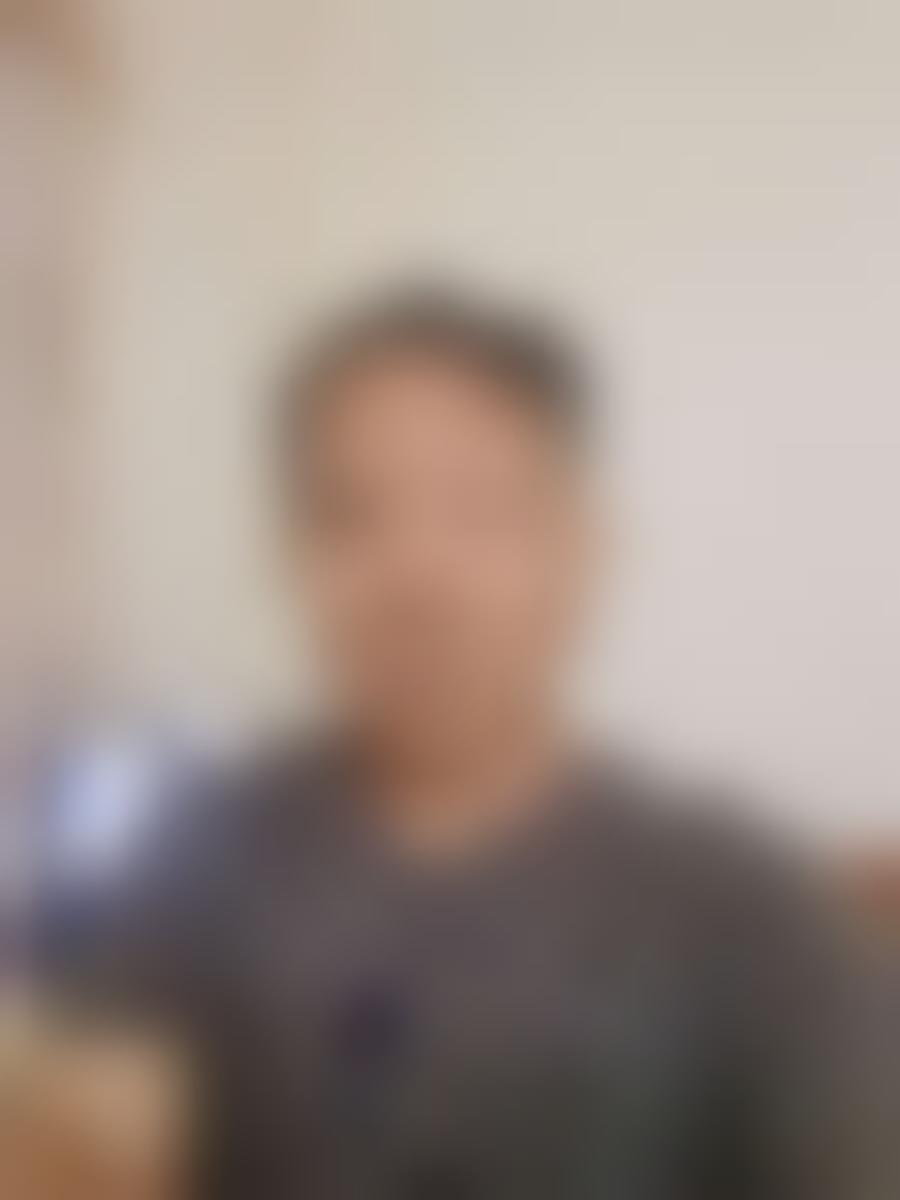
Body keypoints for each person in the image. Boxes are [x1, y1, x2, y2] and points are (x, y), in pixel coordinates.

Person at [38, 286, 859, 1199]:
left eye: (478, 507)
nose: (418, 574)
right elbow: (102, 1132)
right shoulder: (202, 851)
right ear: (293, 560)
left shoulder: (739, 902)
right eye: (351, 514)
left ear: (582, 552)